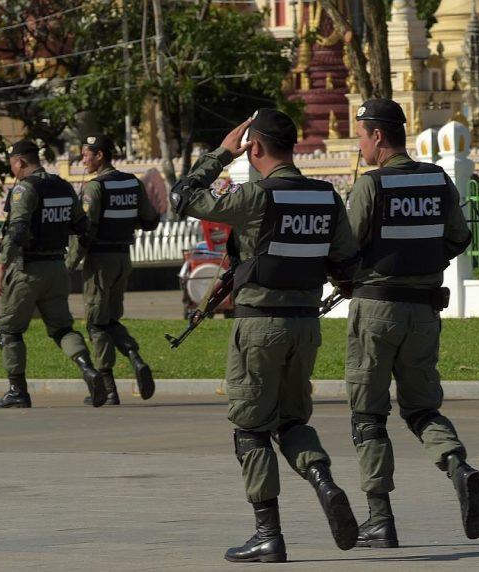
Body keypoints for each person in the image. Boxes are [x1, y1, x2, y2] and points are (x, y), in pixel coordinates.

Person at [169, 109, 361, 563]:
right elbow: (347, 266)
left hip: (258, 327)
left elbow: (182, 197)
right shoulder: (326, 198)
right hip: (305, 326)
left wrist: (220, 153)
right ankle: (323, 481)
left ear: (254, 148)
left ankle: (267, 534)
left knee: (251, 430)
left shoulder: (255, 198)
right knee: (293, 422)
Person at [343, 98, 479, 547]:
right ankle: (457, 466)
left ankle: (379, 518)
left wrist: (352, 276)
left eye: (362, 136)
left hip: (376, 311)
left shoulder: (370, 186)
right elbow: (459, 238)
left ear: (379, 137)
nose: (360, 145)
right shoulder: (438, 180)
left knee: (368, 416)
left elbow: (345, 251)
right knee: (422, 407)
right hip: (424, 312)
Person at [0, 140, 107, 409]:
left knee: (9, 330)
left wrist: (0, 268)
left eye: (12, 165)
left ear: (19, 162)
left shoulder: (24, 189)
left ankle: (17, 391)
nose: (13, 169)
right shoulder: (63, 186)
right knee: (62, 328)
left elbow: (16, 232)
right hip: (56, 268)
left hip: (27, 270)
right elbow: (83, 227)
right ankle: (88, 368)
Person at [67, 134, 159, 406]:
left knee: (96, 322)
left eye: (86, 154)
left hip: (100, 262)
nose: (83, 158)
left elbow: (86, 233)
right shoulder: (133, 182)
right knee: (111, 319)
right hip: (123, 259)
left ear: (100, 156)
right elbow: (151, 220)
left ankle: (108, 388)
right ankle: (135, 358)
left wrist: (70, 263)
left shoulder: (95, 188)